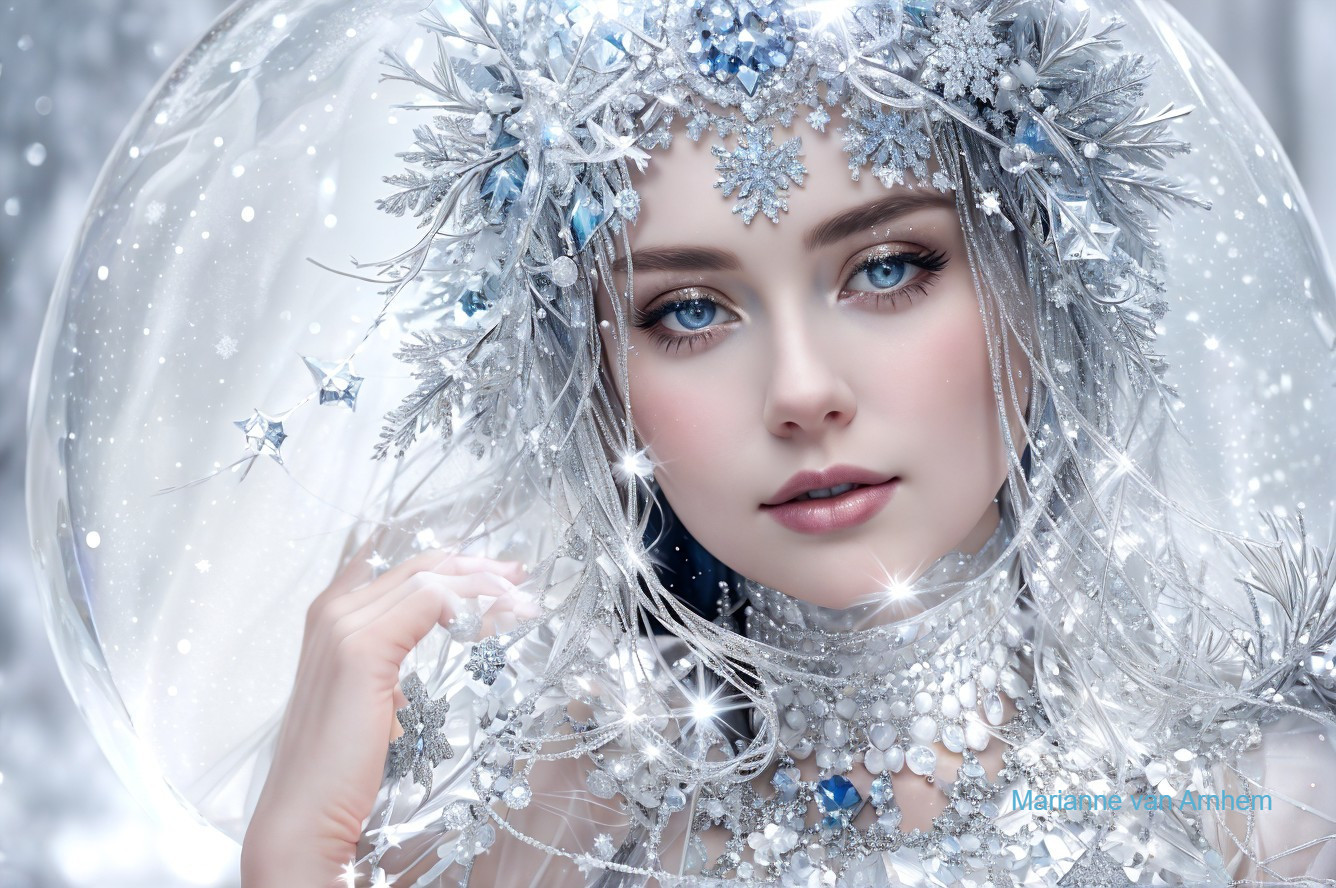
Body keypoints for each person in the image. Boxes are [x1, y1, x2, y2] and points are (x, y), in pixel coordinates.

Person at [26, 0, 1336, 886]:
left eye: (887, 268)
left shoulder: (1257, 824)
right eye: (689, 310)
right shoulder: (543, 840)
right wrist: (303, 845)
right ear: (592, 383)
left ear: (1035, 286)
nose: (805, 391)